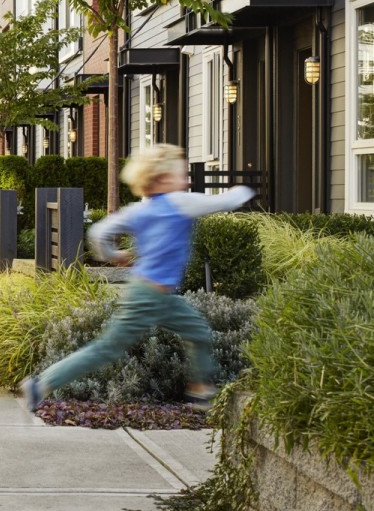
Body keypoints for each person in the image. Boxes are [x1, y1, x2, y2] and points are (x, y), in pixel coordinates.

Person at [20, 144, 254, 413]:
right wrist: (245, 190)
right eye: (182, 174)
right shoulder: (181, 202)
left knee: (197, 331)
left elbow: (98, 232)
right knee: (106, 349)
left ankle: (201, 390)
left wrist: (112, 253)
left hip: (158, 296)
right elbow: (224, 201)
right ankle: (40, 386)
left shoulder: (139, 210)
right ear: (163, 178)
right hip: (148, 298)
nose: (187, 180)